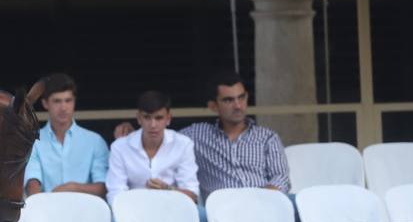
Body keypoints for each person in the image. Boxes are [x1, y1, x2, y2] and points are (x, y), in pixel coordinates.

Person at [180, 70, 291, 201]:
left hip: (264, 203)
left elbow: (281, 178)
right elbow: (163, 140)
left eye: (241, 97)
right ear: (213, 106)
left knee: (300, 204)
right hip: (222, 210)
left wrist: (260, 200)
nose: (238, 105)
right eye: (228, 100)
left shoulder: (267, 137)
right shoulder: (196, 135)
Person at [23, 73, 109, 198]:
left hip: (87, 213)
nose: (63, 107)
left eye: (68, 100)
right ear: (45, 103)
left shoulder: (95, 141)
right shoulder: (34, 142)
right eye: (57, 101)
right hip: (47, 212)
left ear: (74, 102)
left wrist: (71, 188)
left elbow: (103, 188)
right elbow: (32, 184)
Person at [106, 91, 199, 205]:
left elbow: (192, 195)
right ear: (139, 118)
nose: (153, 125)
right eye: (147, 117)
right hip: (132, 211)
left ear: (168, 119)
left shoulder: (183, 144)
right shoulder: (120, 147)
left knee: (203, 216)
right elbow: (116, 193)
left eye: (159, 118)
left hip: (173, 209)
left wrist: (167, 189)